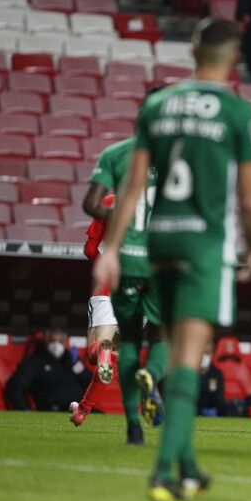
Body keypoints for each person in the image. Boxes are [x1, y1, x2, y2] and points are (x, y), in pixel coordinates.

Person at [94, 17, 251, 501]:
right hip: (203, 244)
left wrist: (109, 251)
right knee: (189, 359)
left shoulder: (157, 105)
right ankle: (162, 472)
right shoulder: (236, 111)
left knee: (166, 342)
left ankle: (189, 467)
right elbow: (250, 200)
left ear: (192, 50)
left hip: (157, 244)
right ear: (234, 57)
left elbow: (131, 188)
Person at [71, 109, 169, 446]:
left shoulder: (111, 196)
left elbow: (89, 249)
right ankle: (145, 383)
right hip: (151, 279)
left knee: (102, 354)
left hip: (111, 281)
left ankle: (100, 401)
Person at [6, 329, 91, 412]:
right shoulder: (35, 362)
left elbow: (90, 384)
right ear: (46, 341)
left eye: (60, 341)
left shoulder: (72, 360)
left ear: (65, 342)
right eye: (52, 341)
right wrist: (25, 411)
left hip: (79, 410)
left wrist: (77, 367)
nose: (56, 345)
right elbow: (14, 387)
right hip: (51, 411)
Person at [198, 345, 225, 417]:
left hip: (210, 410)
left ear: (211, 355)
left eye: (207, 353)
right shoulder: (191, 372)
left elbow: (218, 395)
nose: (205, 356)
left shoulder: (216, 373)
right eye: (202, 353)